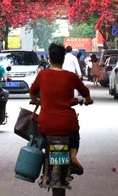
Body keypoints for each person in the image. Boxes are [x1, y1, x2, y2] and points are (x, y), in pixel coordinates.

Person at [29, 43, 93, 175]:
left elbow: (32, 93)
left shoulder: (43, 75)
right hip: (67, 124)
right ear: (63, 59)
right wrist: (88, 100)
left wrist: (37, 101)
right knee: (74, 137)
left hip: (46, 123)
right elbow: (85, 92)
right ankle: (73, 156)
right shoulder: (71, 76)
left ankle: (46, 167)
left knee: (45, 142)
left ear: (50, 59)